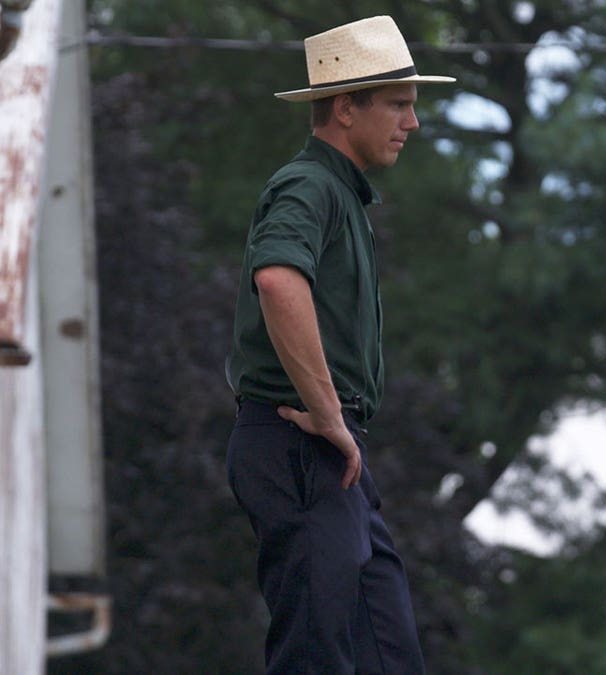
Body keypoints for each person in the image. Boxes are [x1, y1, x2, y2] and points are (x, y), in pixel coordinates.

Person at [224, 15, 454, 674]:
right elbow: (276, 278)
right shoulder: (309, 184)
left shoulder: (340, 194)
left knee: (389, 652)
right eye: (399, 105)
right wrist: (327, 413)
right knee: (316, 655)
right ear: (346, 108)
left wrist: (336, 425)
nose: (411, 123)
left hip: (329, 451)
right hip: (299, 439)